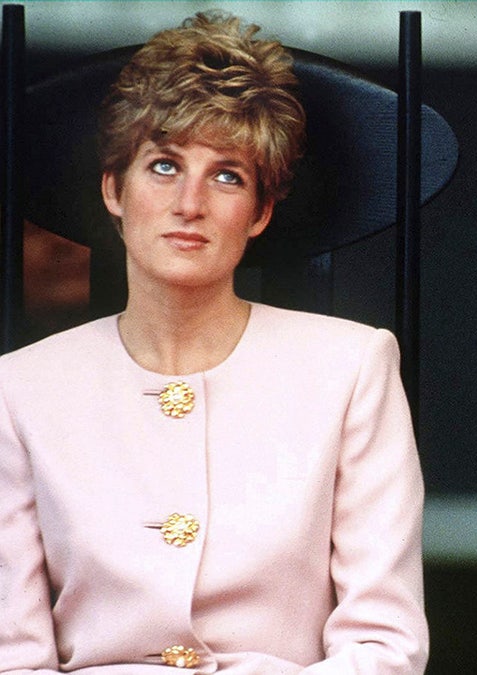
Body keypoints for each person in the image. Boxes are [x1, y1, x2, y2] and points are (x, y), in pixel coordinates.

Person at [0, 12, 428, 673]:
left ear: (258, 210)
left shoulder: (352, 368)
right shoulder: (20, 389)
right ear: (115, 189)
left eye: (227, 174)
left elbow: (384, 648)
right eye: (164, 165)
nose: (190, 202)